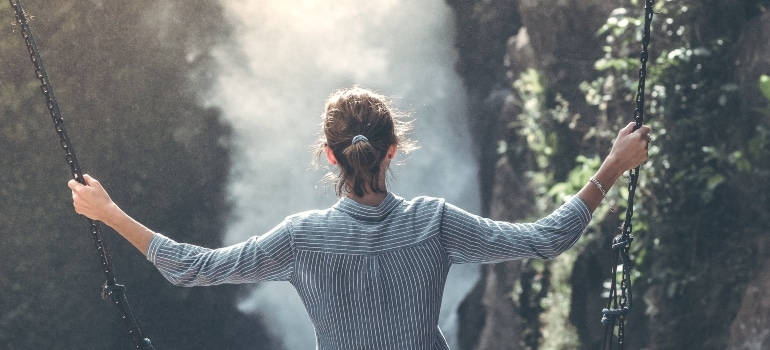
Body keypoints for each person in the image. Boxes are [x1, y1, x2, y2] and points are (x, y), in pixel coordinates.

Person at [68, 86, 651, 350]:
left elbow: (191, 268)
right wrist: (611, 167)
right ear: (394, 151)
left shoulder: (301, 238)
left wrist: (109, 211)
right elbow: (549, 238)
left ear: (329, 156)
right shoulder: (434, 222)